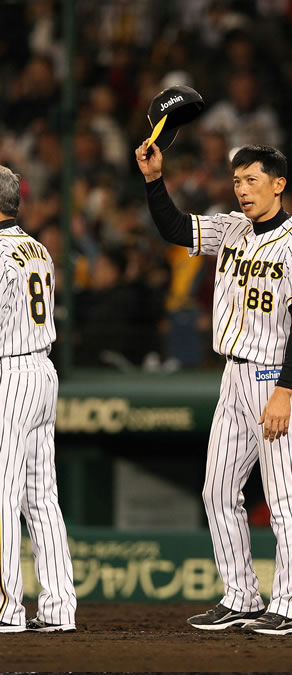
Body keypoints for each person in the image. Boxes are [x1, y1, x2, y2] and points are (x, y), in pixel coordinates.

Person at [136, 140, 292, 636]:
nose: (242, 189)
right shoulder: (233, 228)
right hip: (233, 375)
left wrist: (285, 390)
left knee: (284, 498)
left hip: (275, 376)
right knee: (218, 491)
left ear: (278, 184)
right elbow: (174, 228)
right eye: (237, 180)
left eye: (252, 180)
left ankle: (288, 605)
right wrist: (154, 180)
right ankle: (241, 595)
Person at [0, 165, 76, 633]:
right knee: (40, 497)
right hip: (42, 372)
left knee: (3, 495)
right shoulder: (36, 246)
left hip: (9, 373)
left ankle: (6, 608)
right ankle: (58, 607)